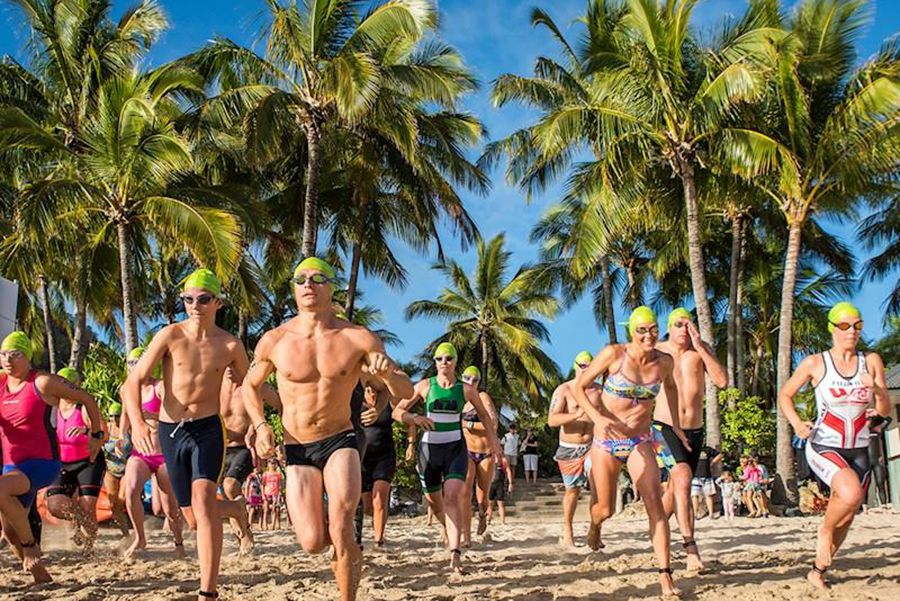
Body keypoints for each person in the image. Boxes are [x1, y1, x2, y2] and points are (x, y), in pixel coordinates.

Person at [243, 257, 413, 601]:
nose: (309, 284)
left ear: (331, 287)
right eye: (301, 279)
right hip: (298, 448)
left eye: (318, 278)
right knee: (312, 541)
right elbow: (250, 386)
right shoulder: (275, 340)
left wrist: (388, 374)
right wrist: (260, 426)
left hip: (341, 440)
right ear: (293, 288)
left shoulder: (357, 337)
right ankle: (340, 546)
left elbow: (406, 393)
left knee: (342, 523)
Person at [124, 268, 254, 601]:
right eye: (188, 299)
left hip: (208, 429)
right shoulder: (170, 335)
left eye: (204, 299)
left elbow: (251, 387)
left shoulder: (229, 344)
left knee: (203, 500)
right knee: (193, 519)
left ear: (218, 302)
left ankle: (208, 592)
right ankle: (235, 509)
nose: (195, 305)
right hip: (170, 431)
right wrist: (138, 423)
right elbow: (133, 382)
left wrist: (267, 418)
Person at [574, 307, 687, 597]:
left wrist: (675, 425)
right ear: (631, 333)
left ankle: (665, 576)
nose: (649, 335)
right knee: (605, 509)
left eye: (652, 329)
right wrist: (597, 417)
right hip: (606, 442)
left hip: (640, 440)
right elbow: (579, 387)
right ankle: (595, 526)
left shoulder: (664, 362)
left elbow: (671, 389)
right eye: (642, 330)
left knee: (654, 503)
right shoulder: (614, 354)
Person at [778, 301, 890, 590]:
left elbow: (885, 408)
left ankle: (818, 569)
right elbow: (785, 395)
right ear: (832, 329)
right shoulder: (816, 363)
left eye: (857, 325)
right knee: (851, 494)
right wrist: (797, 423)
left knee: (849, 512)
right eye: (844, 325)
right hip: (826, 444)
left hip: (860, 447)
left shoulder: (872, 360)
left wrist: (875, 388)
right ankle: (824, 530)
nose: (851, 331)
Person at [0, 331, 103, 583]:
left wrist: (96, 434)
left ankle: (31, 545)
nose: (9, 359)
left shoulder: (42, 382)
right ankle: (40, 575)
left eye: (16, 354)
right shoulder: (1, 384)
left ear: (29, 357)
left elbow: (86, 398)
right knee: (10, 532)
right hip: (11, 465)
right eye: (4, 354)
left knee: (1, 492)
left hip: (42, 462)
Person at [393, 342, 503, 575]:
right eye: (440, 359)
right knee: (435, 501)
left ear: (454, 362)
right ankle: (447, 526)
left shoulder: (466, 390)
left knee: (453, 495)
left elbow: (484, 415)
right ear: (435, 362)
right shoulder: (424, 386)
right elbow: (397, 411)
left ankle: (455, 554)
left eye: (449, 359)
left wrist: (494, 442)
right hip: (429, 451)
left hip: (455, 449)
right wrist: (414, 418)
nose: (444, 362)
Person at [653, 307, 727, 571]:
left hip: (694, 430)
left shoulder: (700, 352)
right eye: (678, 325)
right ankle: (690, 548)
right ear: (669, 327)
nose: (683, 330)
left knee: (676, 490)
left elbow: (722, 381)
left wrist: (701, 346)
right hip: (665, 428)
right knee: (683, 479)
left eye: (687, 325)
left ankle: (657, 530)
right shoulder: (658, 351)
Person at [119, 346, 185, 558]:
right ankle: (140, 538)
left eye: (138, 362)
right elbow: (125, 415)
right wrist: (121, 436)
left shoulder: (160, 387)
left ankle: (179, 542)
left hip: (163, 454)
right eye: (131, 363)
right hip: (140, 453)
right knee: (130, 490)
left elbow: (177, 414)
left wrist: (152, 415)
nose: (134, 367)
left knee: (168, 507)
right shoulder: (126, 389)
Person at [45, 367, 107, 551]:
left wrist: (87, 431)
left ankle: (89, 548)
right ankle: (80, 521)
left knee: (88, 505)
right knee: (55, 506)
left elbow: (105, 435)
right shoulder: (51, 408)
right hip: (61, 462)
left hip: (88, 461)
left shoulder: (84, 408)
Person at [548, 351, 600, 549]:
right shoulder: (564, 390)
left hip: (593, 446)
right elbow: (552, 420)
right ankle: (568, 530)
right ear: (575, 366)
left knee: (598, 488)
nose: (586, 370)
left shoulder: (600, 391)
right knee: (573, 490)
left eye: (590, 366)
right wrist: (576, 414)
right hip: (569, 447)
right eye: (582, 366)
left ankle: (595, 530)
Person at [221, 366, 280, 536]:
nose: (230, 368)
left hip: (244, 448)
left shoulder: (253, 386)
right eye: (226, 363)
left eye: (234, 363)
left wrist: (258, 426)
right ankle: (243, 534)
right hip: (220, 448)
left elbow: (280, 404)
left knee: (230, 486)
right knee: (226, 496)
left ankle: (245, 529)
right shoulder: (215, 386)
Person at [459, 365, 499, 546]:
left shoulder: (482, 397)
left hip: (485, 453)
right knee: (465, 491)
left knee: (483, 497)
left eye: (475, 379)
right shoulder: (459, 398)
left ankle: (482, 514)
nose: (471, 382)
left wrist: (468, 425)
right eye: (467, 378)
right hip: (466, 450)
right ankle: (466, 536)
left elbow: (492, 425)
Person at [360, 381, 401, 547]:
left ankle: (379, 540)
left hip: (384, 455)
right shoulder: (355, 403)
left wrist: (411, 443)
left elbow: (403, 413)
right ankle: (376, 520)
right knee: (367, 505)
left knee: (380, 497)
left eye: (376, 390)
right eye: (368, 390)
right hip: (362, 457)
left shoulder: (388, 401)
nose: (372, 393)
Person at [102, 401, 131, 535]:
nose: (115, 419)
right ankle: (125, 533)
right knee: (114, 504)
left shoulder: (128, 429)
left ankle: (136, 527)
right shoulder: (106, 428)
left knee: (123, 499)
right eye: (112, 416)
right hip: (110, 469)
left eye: (117, 416)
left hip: (126, 469)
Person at [689, 446, 721, 519]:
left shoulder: (707, 449)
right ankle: (695, 513)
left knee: (709, 495)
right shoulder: (693, 448)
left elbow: (720, 454)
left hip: (707, 475)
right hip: (695, 475)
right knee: (695, 495)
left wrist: (712, 462)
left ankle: (711, 514)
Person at [486, 457, 514, 525]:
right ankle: (488, 520)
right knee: (489, 504)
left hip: (500, 484)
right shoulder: (489, 459)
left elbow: (508, 471)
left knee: (500, 503)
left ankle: (502, 521)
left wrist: (510, 483)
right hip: (490, 484)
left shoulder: (503, 460)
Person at [261, 459, 283, 530]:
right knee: (266, 509)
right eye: (271, 463)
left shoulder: (278, 473)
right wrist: (263, 494)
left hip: (275, 492)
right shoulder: (265, 474)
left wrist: (280, 492)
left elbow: (279, 484)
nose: (272, 465)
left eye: (274, 463)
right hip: (267, 492)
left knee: (275, 509)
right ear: (268, 464)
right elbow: (262, 484)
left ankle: (273, 525)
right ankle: (265, 525)